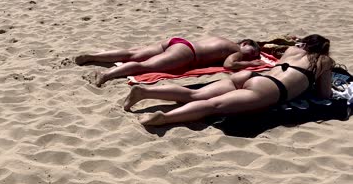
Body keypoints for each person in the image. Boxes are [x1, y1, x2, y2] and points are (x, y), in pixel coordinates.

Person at [123, 34, 334, 126]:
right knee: (211, 106)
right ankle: (165, 118)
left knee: (194, 94)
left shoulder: (290, 50)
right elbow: (324, 94)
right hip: (270, 89)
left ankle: (145, 92)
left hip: (254, 76)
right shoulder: (324, 61)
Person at [75, 36, 263, 87]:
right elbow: (229, 65)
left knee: (132, 53)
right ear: (244, 43)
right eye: (252, 51)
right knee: (145, 67)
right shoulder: (236, 50)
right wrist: (251, 64)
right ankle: (106, 75)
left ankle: (92, 56)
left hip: (178, 41)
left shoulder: (222, 39)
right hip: (187, 52)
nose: (251, 56)